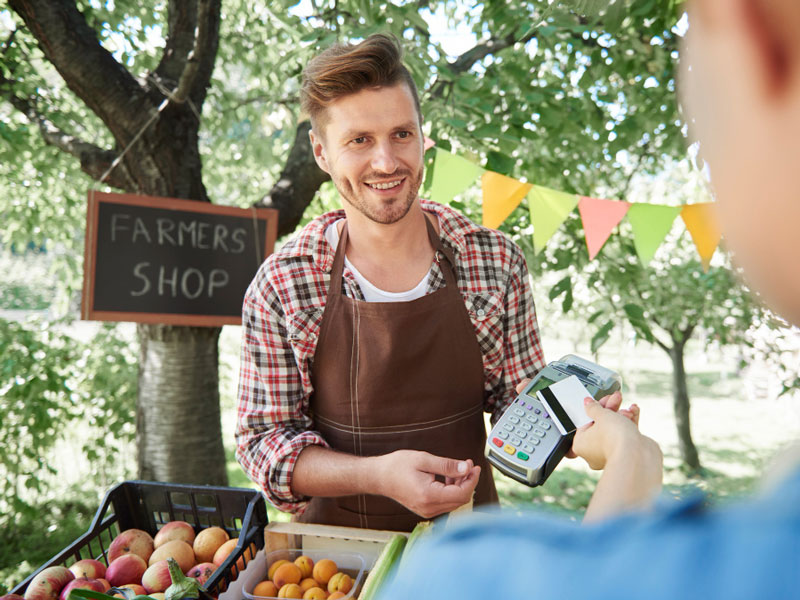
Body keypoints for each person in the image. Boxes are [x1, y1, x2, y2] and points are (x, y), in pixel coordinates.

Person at [380, 0, 800, 597]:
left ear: (752, 30)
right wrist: (631, 454)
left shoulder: (461, 577)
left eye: (402, 134)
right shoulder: (291, 275)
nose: (385, 159)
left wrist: (631, 461)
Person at [235, 33, 549, 531]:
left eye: (401, 134)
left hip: (468, 544)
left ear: (423, 137)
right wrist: (377, 475)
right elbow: (264, 444)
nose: (386, 162)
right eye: (359, 140)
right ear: (321, 152)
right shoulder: (284, 284)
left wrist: (577, 423)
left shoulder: (493, 261)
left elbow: (521, 404)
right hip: (337, 561)